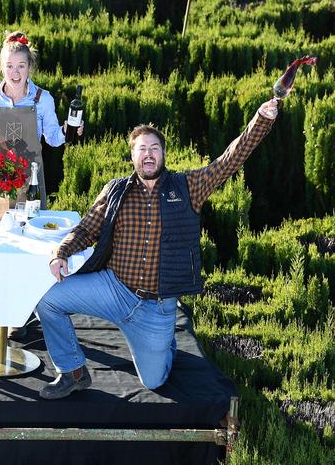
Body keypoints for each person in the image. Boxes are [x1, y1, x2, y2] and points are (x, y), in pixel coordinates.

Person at [36, 98, 279, 399]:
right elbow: (87, 229)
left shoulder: (187, 186)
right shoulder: (115, 191)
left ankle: (164, 345)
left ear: (163, 154)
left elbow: (230, 160)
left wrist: (262, 119)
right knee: (47, 298)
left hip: (156, 306)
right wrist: (61, 253)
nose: (148, 155)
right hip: (114, 288)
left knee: (153, 381)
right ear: (132, 156)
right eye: (142, 149)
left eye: (154, 148)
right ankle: (73, 372)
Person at [0, 30, 84, 208]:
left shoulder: (43, 99)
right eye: (9, 66)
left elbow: (53, 139)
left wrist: (67, 130)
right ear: (1, 67)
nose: (15, 72)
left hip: (29, 180)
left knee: (29, 231)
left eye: (21, 66)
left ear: (29, 67)